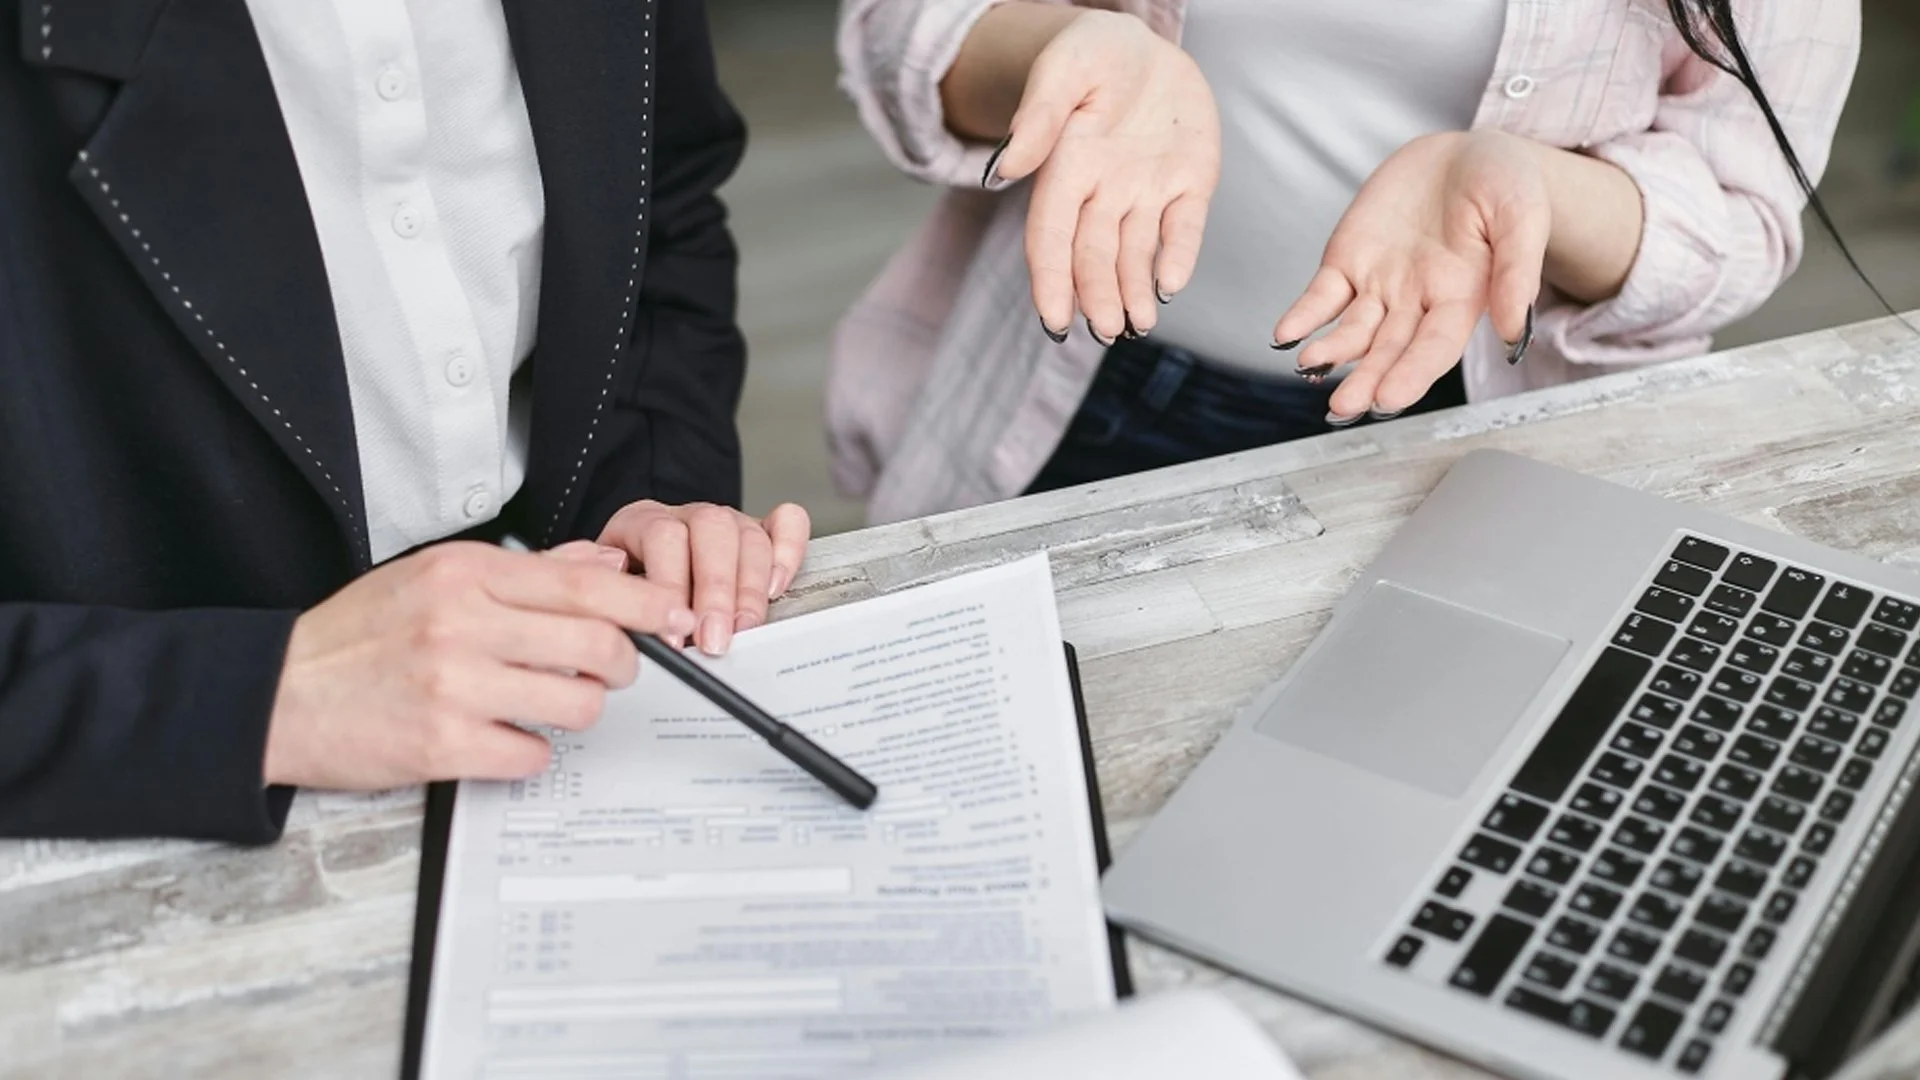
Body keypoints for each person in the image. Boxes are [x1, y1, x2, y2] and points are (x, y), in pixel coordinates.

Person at [0, 0, 809, 842]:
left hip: (576, 712)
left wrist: (644, 489)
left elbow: (663, 197)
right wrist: (260, 694)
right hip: (171, 808)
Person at [831, 0, 1861, 522]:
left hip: (1487, 430)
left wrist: (1532, 191)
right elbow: (901, 29)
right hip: (1095, 385)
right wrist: (1066, 51)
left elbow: (1744, 221)